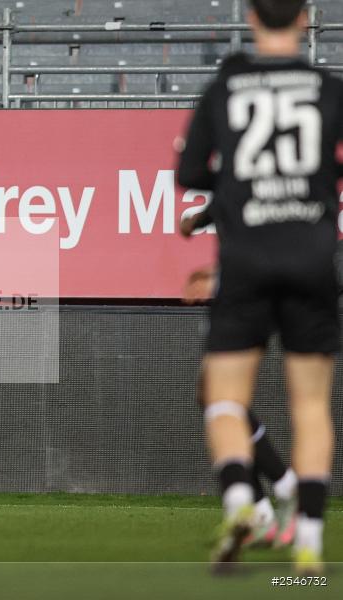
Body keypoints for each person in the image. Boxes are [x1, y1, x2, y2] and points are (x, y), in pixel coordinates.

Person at [176, 0, 343, 574]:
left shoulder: (227, 86)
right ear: (306, 17)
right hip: (313, 260)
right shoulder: (327, 86)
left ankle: (245, 500)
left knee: (220, 396)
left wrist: (232, 191)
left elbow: (191, 173)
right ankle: (310, 543)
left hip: (246, 262)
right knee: (312, 406)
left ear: (248, 17)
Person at [181, 212, 299, 550]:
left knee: (221, 399)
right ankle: (262, 513)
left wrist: (194, 221)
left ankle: (283, 486)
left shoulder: (243, 183)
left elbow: (223, 207)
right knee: (218, 399)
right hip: (246, 290)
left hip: (246, 296)